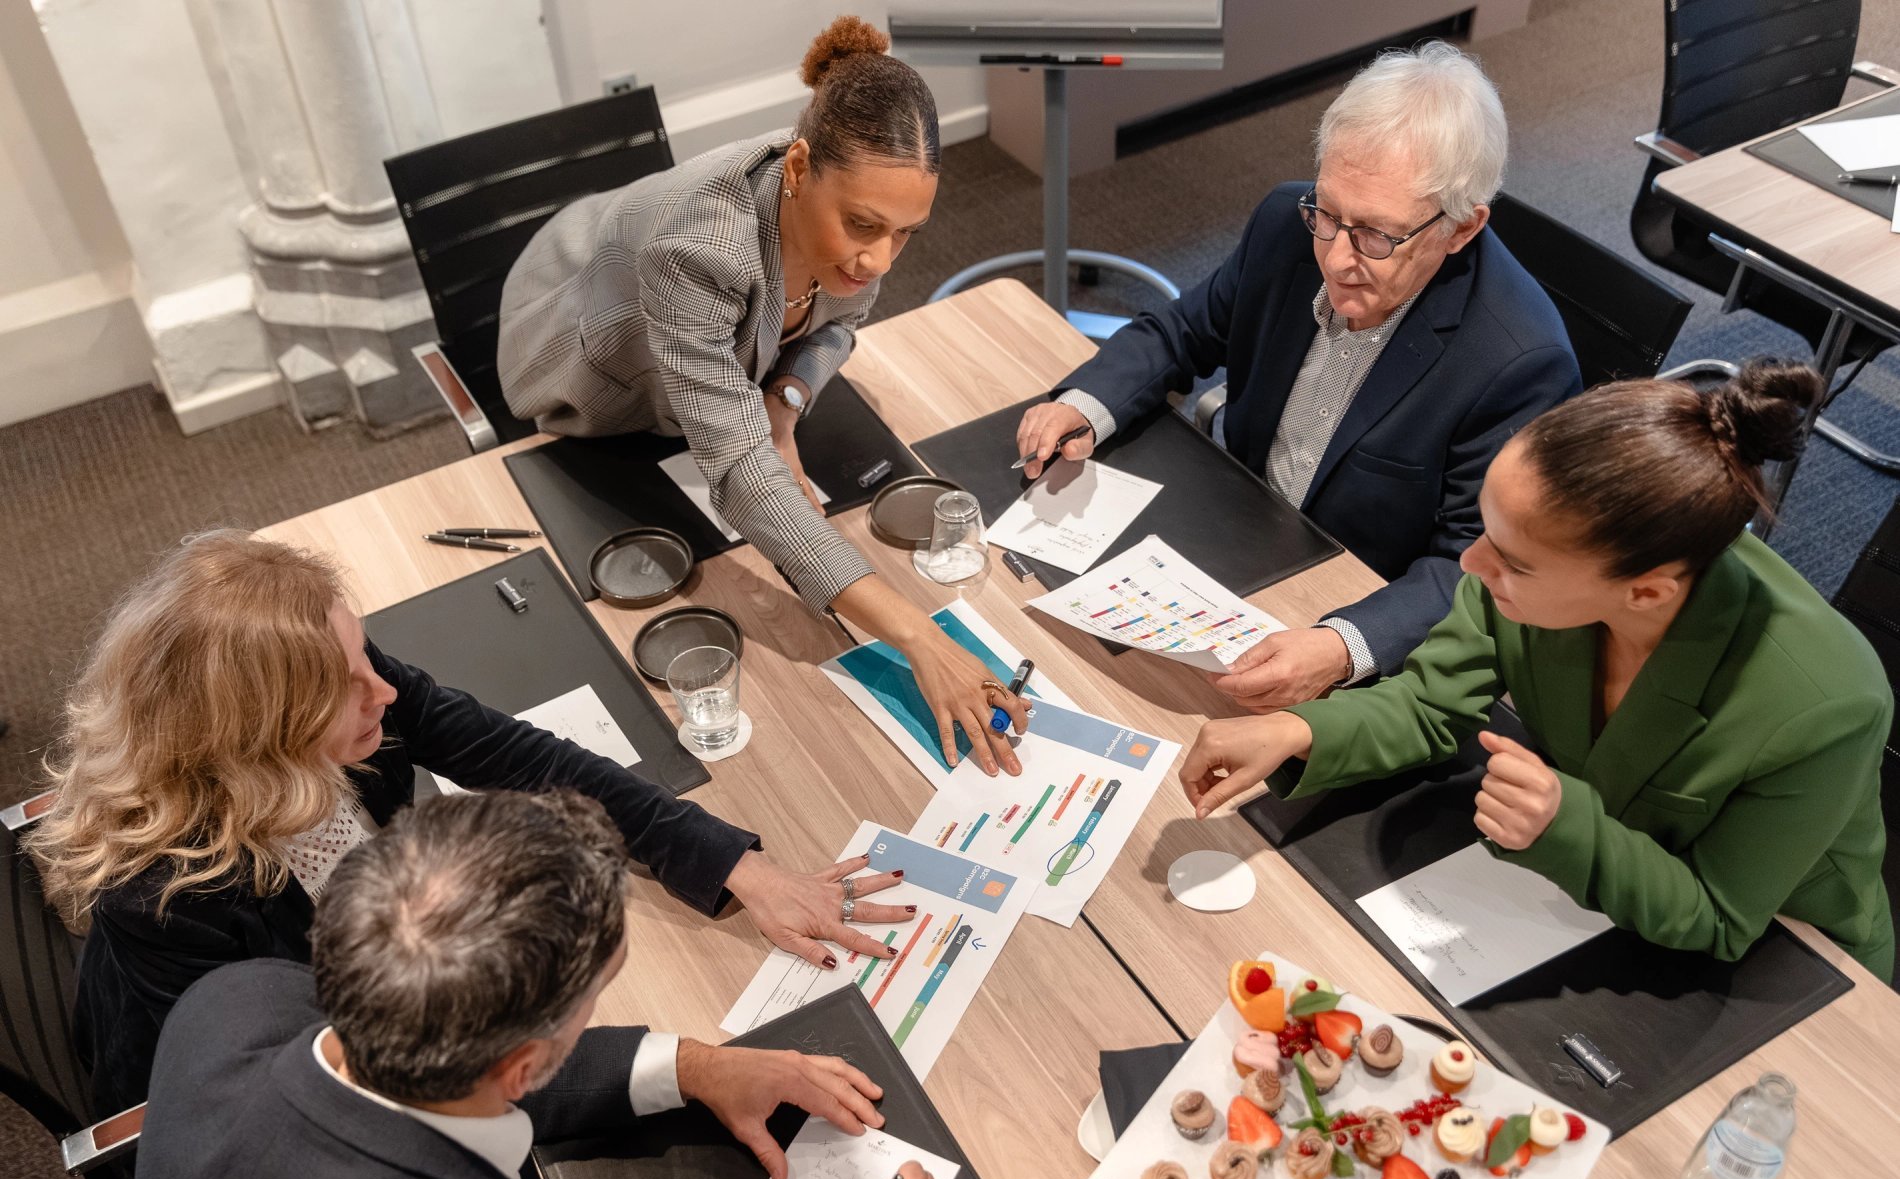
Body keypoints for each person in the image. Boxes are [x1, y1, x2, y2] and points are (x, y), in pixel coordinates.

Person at [31, 530, 915, 1120]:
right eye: (345, 686)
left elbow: (524, 757)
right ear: (258, 733)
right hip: (253, 1101)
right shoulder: (170, 897)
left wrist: (733, 867)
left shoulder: (352, 684)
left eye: (363, 657)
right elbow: (377, 1080)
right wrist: (685, 1067)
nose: (383, 689)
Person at [1179, 362, 1894, 978]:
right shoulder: (1547, 565)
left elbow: (1721, 914)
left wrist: (1564, 824)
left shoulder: (1826, 704)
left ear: (1646, 593)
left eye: (1513, 562)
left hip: (1791, 959)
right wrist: (1300, 730)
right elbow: (1430, 704)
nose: (1471, 563)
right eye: (1486, 531)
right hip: (1581, 894)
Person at [498, 16, 1027, 775]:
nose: (880, 260)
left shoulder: (850, 217)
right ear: (799, 167)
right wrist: (919, 634)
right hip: (590, 366)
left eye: (906, 233)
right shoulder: (697, 250)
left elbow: (839, 325)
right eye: (864, 226)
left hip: (709, 369)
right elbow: (739, 471)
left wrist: (783, 404)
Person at [131, 789, 958, 1179]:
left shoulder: (232, 1003)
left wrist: (693, 1065)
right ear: (523, 1065)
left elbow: (442, 1067)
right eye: (596, 994)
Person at [1016, 42, 1581, 712]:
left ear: (1461, 229)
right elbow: (1185, 329)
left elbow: (1474, 568)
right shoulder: (1286, 223)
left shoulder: (1519, 364)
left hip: (1348, 605)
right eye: (1330, 214)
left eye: (1376, 236)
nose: (1336, 258)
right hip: (1235, 526)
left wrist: (1342, 646)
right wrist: (1087, 403)